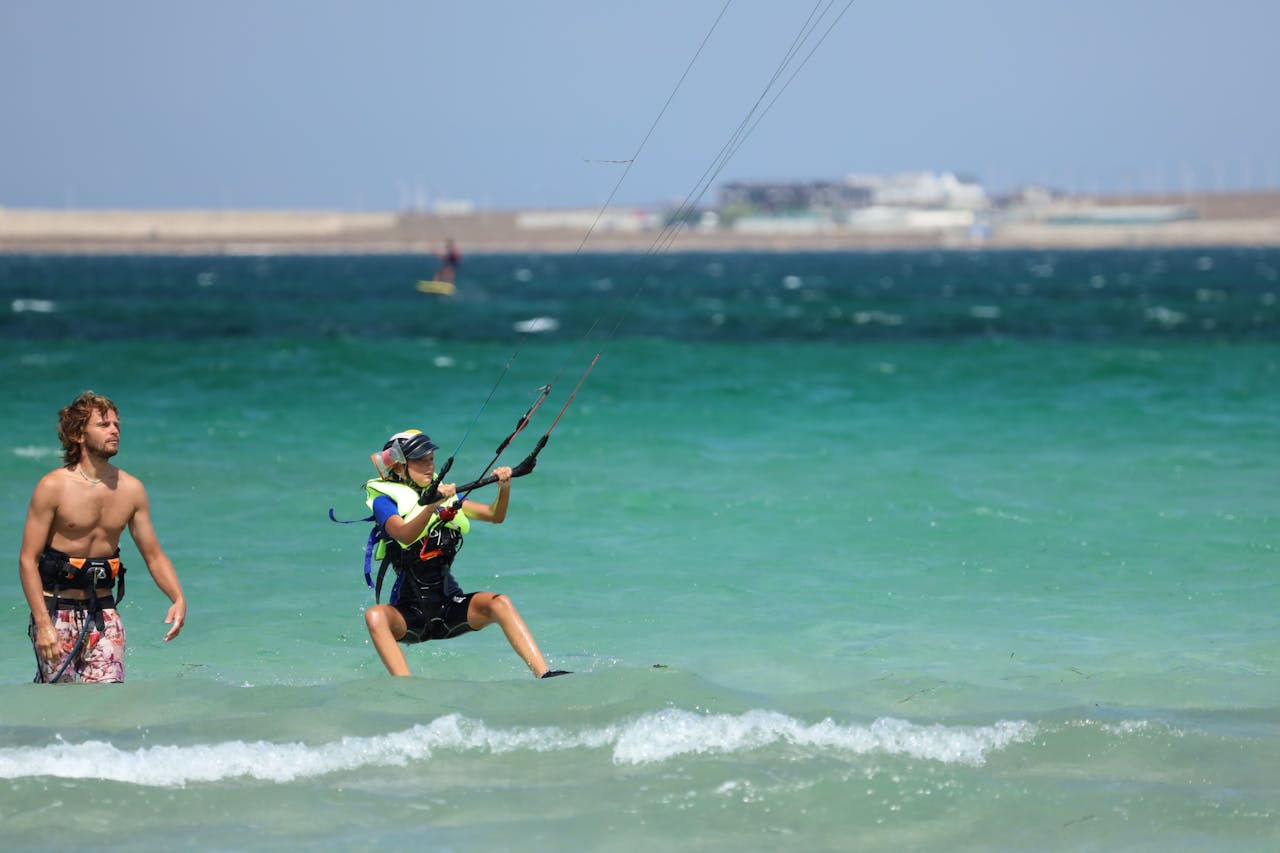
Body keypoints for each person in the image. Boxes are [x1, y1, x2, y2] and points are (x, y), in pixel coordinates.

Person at [361, 429, 568, 678]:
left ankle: (544, 674)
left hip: (450, 606)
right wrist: (433, 506)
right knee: (375, 616)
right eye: (420, 460)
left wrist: (504, 487)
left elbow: (495, 516)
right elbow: (404, 535)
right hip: (410, 615)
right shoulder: (385, 501)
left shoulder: (445, 496)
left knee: (500, 603)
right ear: (398, 466)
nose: (429, 466)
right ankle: (407, 687)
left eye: (431, 459)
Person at [19, 391, 186, 683]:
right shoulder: (53, 486)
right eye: (104, 424)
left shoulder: (131, 489)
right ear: (78, 435)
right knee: (61, 704)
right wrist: (43, 625)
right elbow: (27, 560)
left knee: (106, 701)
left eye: (117, 425)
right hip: (56, 612)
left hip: (105, 614)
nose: (115, 430)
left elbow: (154, 555)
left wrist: (177, 597)